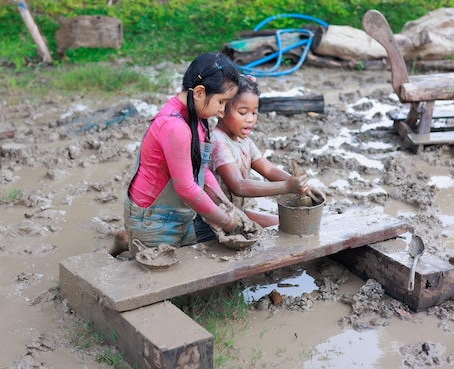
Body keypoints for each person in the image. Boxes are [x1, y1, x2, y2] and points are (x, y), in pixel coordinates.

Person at [109, 52, 242, 257]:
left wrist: (225, 204)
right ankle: (134, 239)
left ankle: (128, 239)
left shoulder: (195, 116)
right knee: (165, 274)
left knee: (213, 235)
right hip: (153, 219)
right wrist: (225, 221)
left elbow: (202, 169)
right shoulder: (175, 126)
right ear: (199, 92)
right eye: (222, 102)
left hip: (177, 212)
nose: (222, 111)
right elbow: (187, 188)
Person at [209, 75, 310, 227]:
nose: (250, 119)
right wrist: (287, 186)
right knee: (286, 227)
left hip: (238, 211)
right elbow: (239, 186)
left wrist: (301, 185)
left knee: (287, 224)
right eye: (243, 112)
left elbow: (268, 169)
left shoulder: (244, 141)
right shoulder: (218, 141)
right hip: (218, 218)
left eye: (254, 112)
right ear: (221, 110)